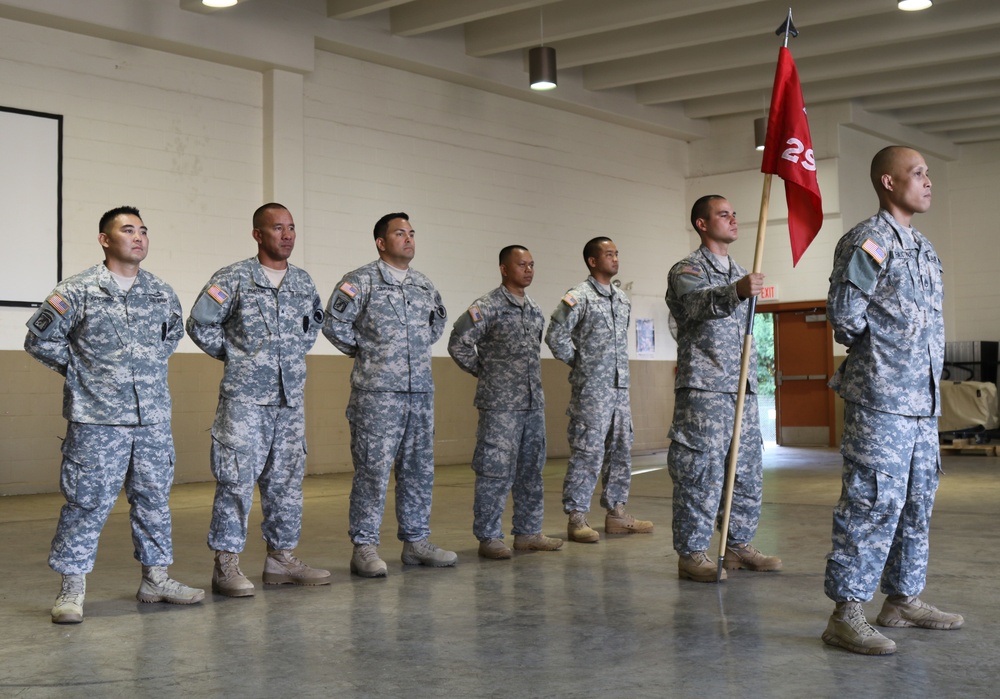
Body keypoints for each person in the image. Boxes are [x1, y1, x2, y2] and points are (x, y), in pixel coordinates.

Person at [25, 206, 204, 623]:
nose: (138, 237)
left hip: (153, 419)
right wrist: (82, 371)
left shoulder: (161, 292)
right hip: (97, 420)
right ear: (105, 239)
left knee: (154, 501)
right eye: (127, 230)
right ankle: (71, 590)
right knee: (86, 503)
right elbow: (38, 339)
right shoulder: (78, 290)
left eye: (143, 230)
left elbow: (171, 336)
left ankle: (156, 579)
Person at [821, 146, 962, 655]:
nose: (928, 182)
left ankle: (902, 600)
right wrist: (881, 358)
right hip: (881, 398)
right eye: (918, 173)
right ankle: (846, 613)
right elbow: (844, 314)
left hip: (922, 403)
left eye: (927, 174)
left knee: (917, 502)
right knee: (871, 503)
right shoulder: (869, 240)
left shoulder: (922, 247)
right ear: (887, 181)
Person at [187, 203, 330, 597]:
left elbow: (311, 329)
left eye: (291, 228)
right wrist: (237, 358)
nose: (287, 235)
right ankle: (226, 566)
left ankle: (281, 559)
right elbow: (199, 324)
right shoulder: (233, 278)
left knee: (286, 482)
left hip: (289, 401)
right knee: (235, 482)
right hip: (245, 401)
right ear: (258, 234)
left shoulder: (303, 282)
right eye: (277, 228)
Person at [324, 212, 457, 577]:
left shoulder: (424, 285)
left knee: (418, 470)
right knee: (373, 471)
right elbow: (334, 324)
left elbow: (437, 322)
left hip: (420, 394)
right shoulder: (360, 281)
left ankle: (416, 542)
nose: (409, 239)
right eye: (400, 233)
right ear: (382, 242)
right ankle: (364, 546)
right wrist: (369, 352)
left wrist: (409, 353)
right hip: (377, 394)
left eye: (412, 233)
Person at [665, 195, 782, 583]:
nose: (733, 219)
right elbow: (697, 305)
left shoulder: (742, 271)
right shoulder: (688, 269)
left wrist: (740, 286)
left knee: (746, 469)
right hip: (705, 390)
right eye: (723, 214)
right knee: (702, 472)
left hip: (741, 389)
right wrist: (736, 291)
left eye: (735, 213)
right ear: (701, 223)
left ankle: (737, 545)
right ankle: (693, 553)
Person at [448, 245, 564, 559]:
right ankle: (489, 537)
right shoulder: (487, 306)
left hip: (531, 404)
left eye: (531, 264)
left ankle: (528, 532)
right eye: (521, 264)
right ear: (503, 268)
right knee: (494, 471)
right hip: (500, 407)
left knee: (531, 471)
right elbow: (458, 342)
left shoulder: (535, 309)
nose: (528, 269)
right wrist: (487, 375)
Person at [545, 237, 653, 543]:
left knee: (620, 451)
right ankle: (577, 517)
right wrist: (582, 364)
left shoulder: (621, 298)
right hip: (592, 391)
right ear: (593, 261)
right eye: (608, 254)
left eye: (617, 253)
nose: (615, 258)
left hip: (620, 390)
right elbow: (555, 335)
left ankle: (617, 514)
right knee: (588, 452)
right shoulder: (578, 296)